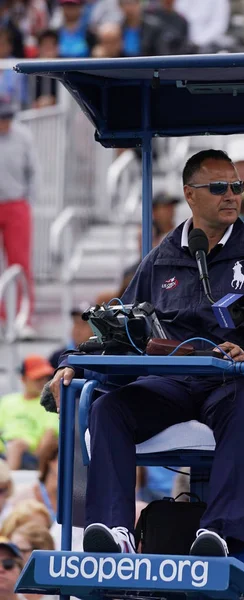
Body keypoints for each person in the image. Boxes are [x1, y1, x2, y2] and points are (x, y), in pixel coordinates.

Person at [49, 148, 244, 557]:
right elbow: (121, 328)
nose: (232, 195)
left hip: (234, 382)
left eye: (236, 186)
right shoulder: (161, 257)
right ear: (190, 194)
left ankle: (218, 534)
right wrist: (72, 366)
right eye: (218, 187)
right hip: (173, 382)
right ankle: (114, 533)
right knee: (109, 409)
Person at [0, 96, 39, 333]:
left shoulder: (23, 136)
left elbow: (34, 172)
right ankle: (3, 316)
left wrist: (28, 203)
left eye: (8, 118)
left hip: (16, 204)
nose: (5, 123)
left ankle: (22, 317)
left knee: (20, 263)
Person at [0, 355, 58, 470]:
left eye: (45, 378)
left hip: (32, 456)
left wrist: (38, 462)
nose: (42, 382)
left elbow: (49, 436)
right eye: (37, 378)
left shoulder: (49, 404)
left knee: (16, 446)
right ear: (23, 379)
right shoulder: (7, 401)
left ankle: (7, 482)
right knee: (14, 446)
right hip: (4, 452)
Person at [49, 304, 92, 369]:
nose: (78, 329)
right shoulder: (57, 356)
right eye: (75, 323)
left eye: (84, 324)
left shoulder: (102, 356)